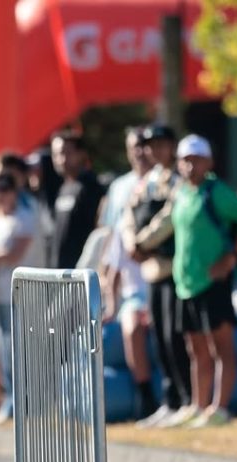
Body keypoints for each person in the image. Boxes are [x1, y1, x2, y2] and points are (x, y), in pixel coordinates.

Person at [169, 135, 237, 427]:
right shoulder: (181, 193)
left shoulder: (216, 192)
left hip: (214, 282)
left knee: (221, 347)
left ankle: (219, 409)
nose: (190, 165)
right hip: (186, 283)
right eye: (185, 159)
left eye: (196, 159)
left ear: (209, 162)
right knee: (195, 348)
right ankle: (199, 405)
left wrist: (231, 256)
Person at [121, 124, 193, 428]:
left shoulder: (178, 180)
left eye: (162, 145)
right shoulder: (146, 182)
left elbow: (169, 217)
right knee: (160, 339)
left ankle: (187, 399)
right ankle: (170, 400)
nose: (155, 151)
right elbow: (128, 213)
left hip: (172, 268)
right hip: (151, 270)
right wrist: (130, 242)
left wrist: (142, 242)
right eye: (151, 146)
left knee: (176, 338)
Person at [100, 128, 157, 421]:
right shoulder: (120, 189)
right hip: (135, 291)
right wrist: (110, 299)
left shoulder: (167, 183)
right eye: (134, 146)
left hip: (164, 284)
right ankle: (145, 396)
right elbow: (113, 243)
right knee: (132, 326)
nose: (140, 152)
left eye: (146, 146)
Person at [0, 172, 39, 424]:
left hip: (21, 292)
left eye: (6, 189)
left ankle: (25, 402)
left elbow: (16, 254)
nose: (2, 195)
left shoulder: (24, 218)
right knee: (3, 349)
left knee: (19, 349)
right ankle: (10, 399)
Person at [50, 131, 105, 269]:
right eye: (56, 154)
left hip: (83, 274)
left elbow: (99, 229)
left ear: (81, 154)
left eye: (66, 153)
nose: (61, 159)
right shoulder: (63, 187)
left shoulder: (91, 187)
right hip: (60, 273)